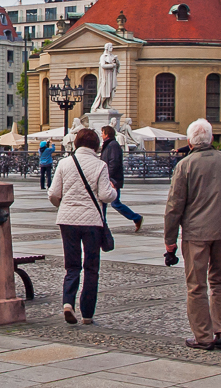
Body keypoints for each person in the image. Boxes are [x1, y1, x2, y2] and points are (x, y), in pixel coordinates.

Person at [164, 118, 221, 350]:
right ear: (211, 139)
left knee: (196, 285)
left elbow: (174, 206)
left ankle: (203, 336)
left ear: (190, 142)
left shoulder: (185, 165)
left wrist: (169, 240)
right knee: (220, 281)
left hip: (196, 233)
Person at [48, 128, 117, 325]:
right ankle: (87, 313)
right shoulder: (100, 165)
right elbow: (105, 195)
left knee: (72, 266)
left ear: (76, 144)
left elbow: (53, 193)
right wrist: (114, 193)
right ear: (96, 146)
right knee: (91, 267)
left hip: (67, 220)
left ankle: (67, 303)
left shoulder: (64, 163)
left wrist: (62, 205)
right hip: (91, 222)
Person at [101, 126, 143, 232]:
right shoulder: (110, 145)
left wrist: (109, 177)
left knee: (114, 203)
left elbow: (114, 162)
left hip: (112, 179)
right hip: (110, 179)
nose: (101, 135)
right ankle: (102, 223)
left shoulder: (112, 145)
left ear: (106, 134)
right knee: (104, 202)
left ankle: (136, 218)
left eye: (102, 133)